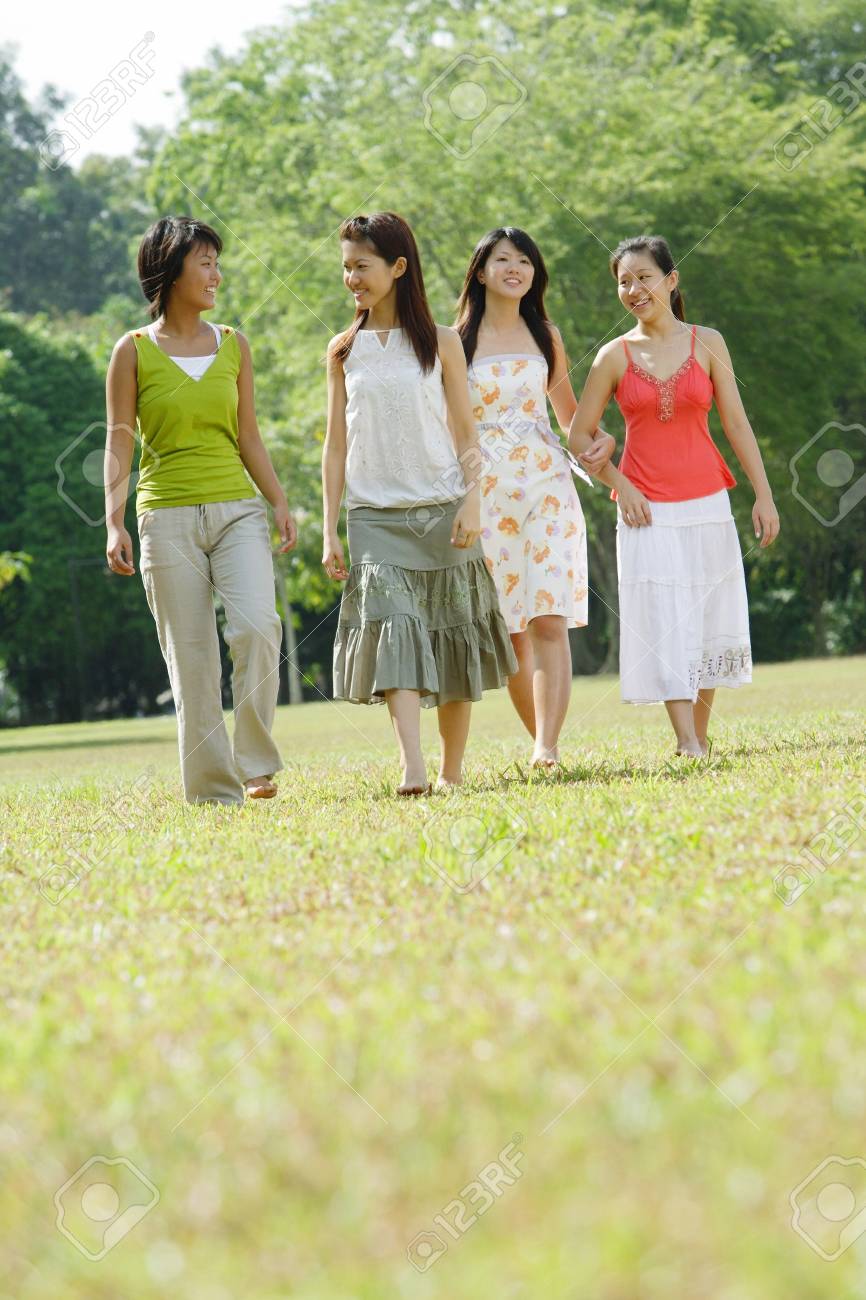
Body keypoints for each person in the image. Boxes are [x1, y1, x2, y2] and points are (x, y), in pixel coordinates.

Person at [322, 211, 517, 795]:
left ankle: (452, 771)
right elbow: (336, 444)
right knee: (398, 629)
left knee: (453, 637)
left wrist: (473, 501)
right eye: (346, 268)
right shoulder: (341, 350)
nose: (352, 278)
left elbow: (465, 432)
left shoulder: (442, 342)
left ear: (398, 267)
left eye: (363, 266)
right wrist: (330, 528)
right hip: (374, 518)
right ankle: (412, 765)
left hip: (443, 510)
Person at [104, 215, 297, 803]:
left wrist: (279, 500)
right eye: (206, 262)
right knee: (191, 659)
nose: (217, 274)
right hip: (166, 518)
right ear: (171, 269)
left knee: (259, 628)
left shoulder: (234, 343)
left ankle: (256, 762)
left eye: (217, 261)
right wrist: (113, 518)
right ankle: (215, 791)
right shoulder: (132, 350)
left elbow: (249, 436)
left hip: (238, 509)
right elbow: (118, 438)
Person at [567, 235, 780, 755]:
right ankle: (685, 740)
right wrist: (620, 483)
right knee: (665, 620)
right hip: (646, 512)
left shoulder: (708, 342)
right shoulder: (612, 357)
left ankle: (700, 738)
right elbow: (577, 436)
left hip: (709, 501)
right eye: (623, 281)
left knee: (708, 617)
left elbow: (736, 422)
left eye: (644, 277)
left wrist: (764, 495)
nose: (634, 289)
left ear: (671, 279)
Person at [455, 226, 616, 768]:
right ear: (481, 271)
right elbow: (449, 429)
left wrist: (604, 447)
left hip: (547, 485)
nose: (515, 269)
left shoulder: (545, 335)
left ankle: (547, 748)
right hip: (488, 496)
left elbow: (571, 421)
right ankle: (539, 742)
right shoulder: (457, 342)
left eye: (524, 260)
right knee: (512, 631)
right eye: (503, 260)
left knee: (549, 618)